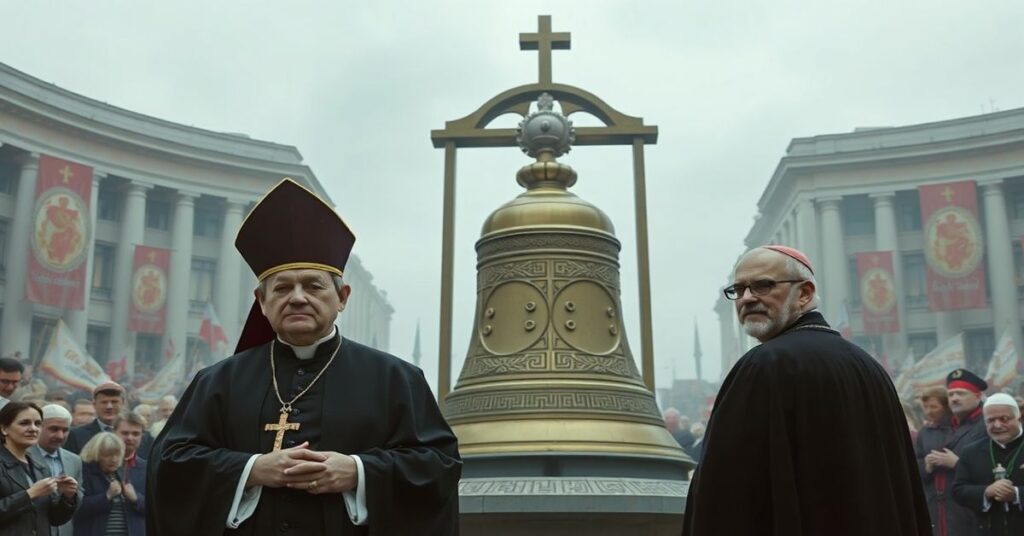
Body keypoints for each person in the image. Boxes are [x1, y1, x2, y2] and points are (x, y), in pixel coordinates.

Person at [147, 179, 461, 535]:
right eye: (282, 287)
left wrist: (358, 472)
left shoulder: (395, 378)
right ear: (262, 302)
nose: (297, 297)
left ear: (342, 297)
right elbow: (169, 463)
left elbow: (439, 464)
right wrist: (252, 469)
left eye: (313, 285)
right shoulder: (218, 381)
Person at [681, 245, 931, 535]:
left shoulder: (762, 366)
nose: (747, 298)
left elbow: (724, 490)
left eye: (763, 285)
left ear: (804, 293)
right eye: (738, 290)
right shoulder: (871, 369)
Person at [926, 369, 991, 536]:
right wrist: (926, 465)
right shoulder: (934, 428)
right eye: (951, 394)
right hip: (939, 512)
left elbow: (996, 465)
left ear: (977, 396)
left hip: (972, 513)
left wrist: (957, 463)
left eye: (961, 393)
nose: (954, 398)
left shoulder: (988, 426)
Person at [0, 401, 79, 534]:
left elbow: (54, 519)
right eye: (24, 423)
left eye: (37, 423)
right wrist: (30, 494)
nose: (33, 429)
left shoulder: (40, 467)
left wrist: (67, 497)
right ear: (4, 429)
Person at [951, 393, 1024, 535]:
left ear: (1018, 417)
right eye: (991, 420)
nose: (997, 425)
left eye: (1004, 419)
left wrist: (1016, 494)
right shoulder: (971, 452)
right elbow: (958, 490)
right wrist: (986, 491)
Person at [74, 432, 145, 535]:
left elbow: (150, 509)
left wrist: (136, 498)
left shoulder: (125, 473)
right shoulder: (83, 473)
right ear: (96, 454)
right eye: (107, 455)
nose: (114, 459)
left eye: (117, 454)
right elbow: (77, 509)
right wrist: (107, 496)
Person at [30, 404, 84, 536]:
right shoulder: (23, 455)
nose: (60, 435)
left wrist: (70, 496)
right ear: (39, 427)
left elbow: (79, 494)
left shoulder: (74, 460)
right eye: (54, 429)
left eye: (65, 430)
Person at [65, 383, 154, 458]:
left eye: (114, 402)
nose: (109, 407)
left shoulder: (145, 438)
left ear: (123, 403)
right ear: (94, 404)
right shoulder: (76, 436)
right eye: (104, 402)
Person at [916, 386, 954, 536]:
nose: (929, 411)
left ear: (946, 406)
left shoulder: (956, 429)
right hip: (933, 495)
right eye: (925, 407)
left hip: (954, 494)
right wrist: (927, 466)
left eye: (934, 407)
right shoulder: (924, 433)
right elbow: (916, 463)